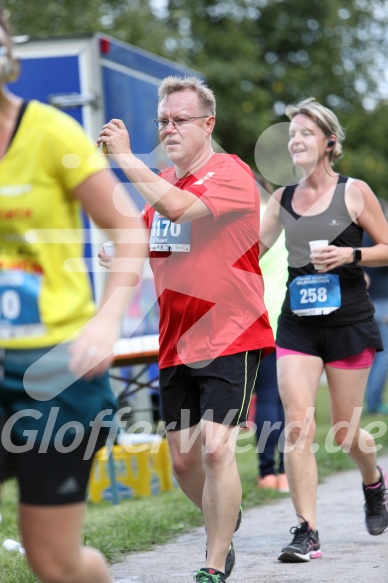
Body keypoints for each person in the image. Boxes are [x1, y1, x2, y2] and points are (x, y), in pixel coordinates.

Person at [97, 76, 275, 583]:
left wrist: (125, 157)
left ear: (208, 125)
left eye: (180, 120)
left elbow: (178, 211)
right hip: (177, 340)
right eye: (163, 121)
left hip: (231, 331)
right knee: (182, 461)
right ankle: (225, 516)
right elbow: (151, 233)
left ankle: (214, 563)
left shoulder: (231, 173)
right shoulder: (162, 189)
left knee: (218, 448)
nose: (169, 129)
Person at [0, 8, 147, 583]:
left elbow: (128, 229)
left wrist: (106, 322)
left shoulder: (50, 132)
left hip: (53, 369)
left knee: (55, 563)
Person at [259, 97, 388, 564]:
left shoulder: (354, 192)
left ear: (329, 143)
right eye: (292, 133)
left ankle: (374, 484)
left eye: (306, 133)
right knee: (297, 423)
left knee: (345, 431)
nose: (295, 140)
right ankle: (307, 531)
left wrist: (350, 256)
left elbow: (387, 247)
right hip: (297, 325)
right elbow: (250, 248)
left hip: (349, 322)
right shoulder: (281, 199)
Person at [253, 176, 289, 493]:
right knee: (286, 401)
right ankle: (286, 471)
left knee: (265, 397)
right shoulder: (285, 217)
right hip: (290, 320)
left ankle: (267, 472)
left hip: (258, 318)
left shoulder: (246, 219)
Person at [363, 199, 388, 414]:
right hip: (382, 304)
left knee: (373, 354)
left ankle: (370, 400)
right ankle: (373, 403)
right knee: (384, 355)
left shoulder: (360, 235)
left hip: (368, 301)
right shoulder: (379, 237)